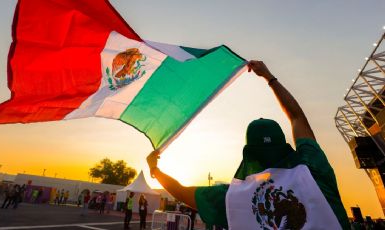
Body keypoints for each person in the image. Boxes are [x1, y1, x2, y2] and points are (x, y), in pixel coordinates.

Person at [146, 60, 351, 229]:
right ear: (284, 144)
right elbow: (298, 118)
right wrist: (270, 78)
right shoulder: (313, 170)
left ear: (250, 155)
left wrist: (154, 169)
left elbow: (182, 192)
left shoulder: (234, 198)